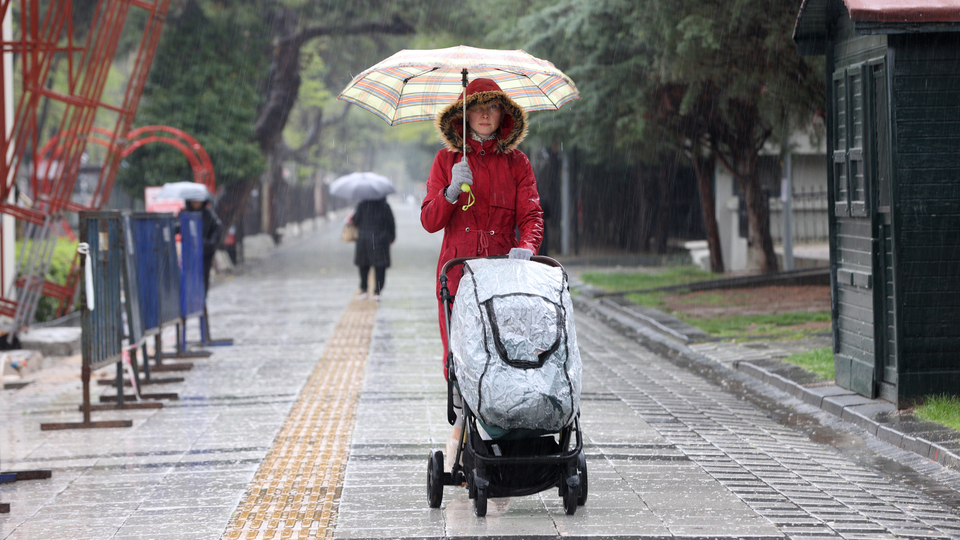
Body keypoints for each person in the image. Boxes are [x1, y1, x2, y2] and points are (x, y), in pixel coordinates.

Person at [419, 78, 544, 467]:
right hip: (458, 279)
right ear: (464, 115)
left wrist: (527, 247)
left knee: (505, 357)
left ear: (503, 114)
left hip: (504, 278)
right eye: (477, 108)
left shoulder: (517, 163)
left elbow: (532, 214)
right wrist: (451, 191)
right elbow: (429, 221)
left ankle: (507, 440)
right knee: (463, 360)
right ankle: (460, 440)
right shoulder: (446, 162)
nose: (485, 115)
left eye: (492, 108)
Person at [351, 197, 395, 300]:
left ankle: (364, 290)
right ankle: (377, 292)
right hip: (381, 240)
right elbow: (391, 223)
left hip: (364, 240)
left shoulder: (362, 205)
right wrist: (391, 237)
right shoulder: (385, 206)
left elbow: (355, 221)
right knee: (380, 267)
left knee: (364, 266)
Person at [185, 195, 223, 295]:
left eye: (198, 200)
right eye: (193, 200)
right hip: (189, 252)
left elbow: (218, 228)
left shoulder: (208, 214)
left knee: (203, 277)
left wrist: (209, 243)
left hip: (205, 252)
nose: (196, 203)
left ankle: (202, 301)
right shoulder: (185, 213)